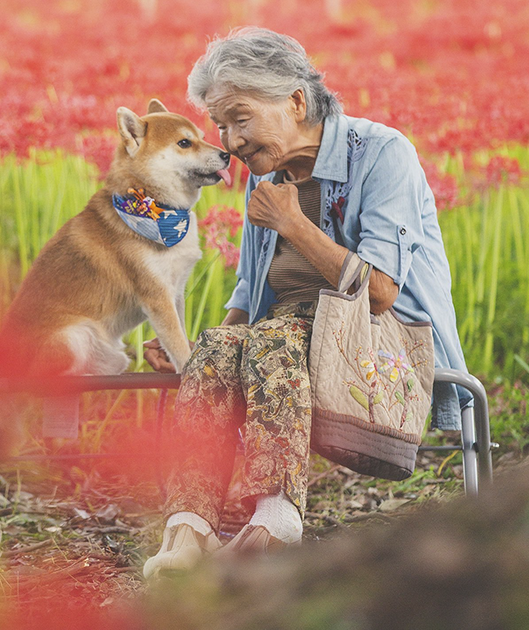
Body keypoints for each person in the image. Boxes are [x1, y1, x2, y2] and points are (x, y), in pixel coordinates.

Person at [140, 27, 470, 578]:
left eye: (240, 119)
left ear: (296, 100)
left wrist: (292, 223)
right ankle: (188, 529)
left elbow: (382, 292)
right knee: (221, 344)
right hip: (286, 344)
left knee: (272, 336)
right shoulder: (263, 178)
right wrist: (203, 354)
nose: (230, 141)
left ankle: (276, 524)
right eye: (220, 125)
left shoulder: (384, 154)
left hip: (379, 344)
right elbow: (249, 292)